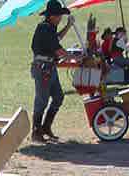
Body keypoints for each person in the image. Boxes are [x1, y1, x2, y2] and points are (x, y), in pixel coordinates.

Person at [30, 0, 75, 143]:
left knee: (58, 97)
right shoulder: (44, 28)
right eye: (59, 15)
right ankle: (36, 132)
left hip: (50, 67)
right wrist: (75, 57)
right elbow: (58, 50)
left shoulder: (50, 27)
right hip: (43, 68)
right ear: (51, 16)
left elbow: (56, 39)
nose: (60, 18)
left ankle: (45, 127)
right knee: (41, 101)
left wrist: (68, 25)